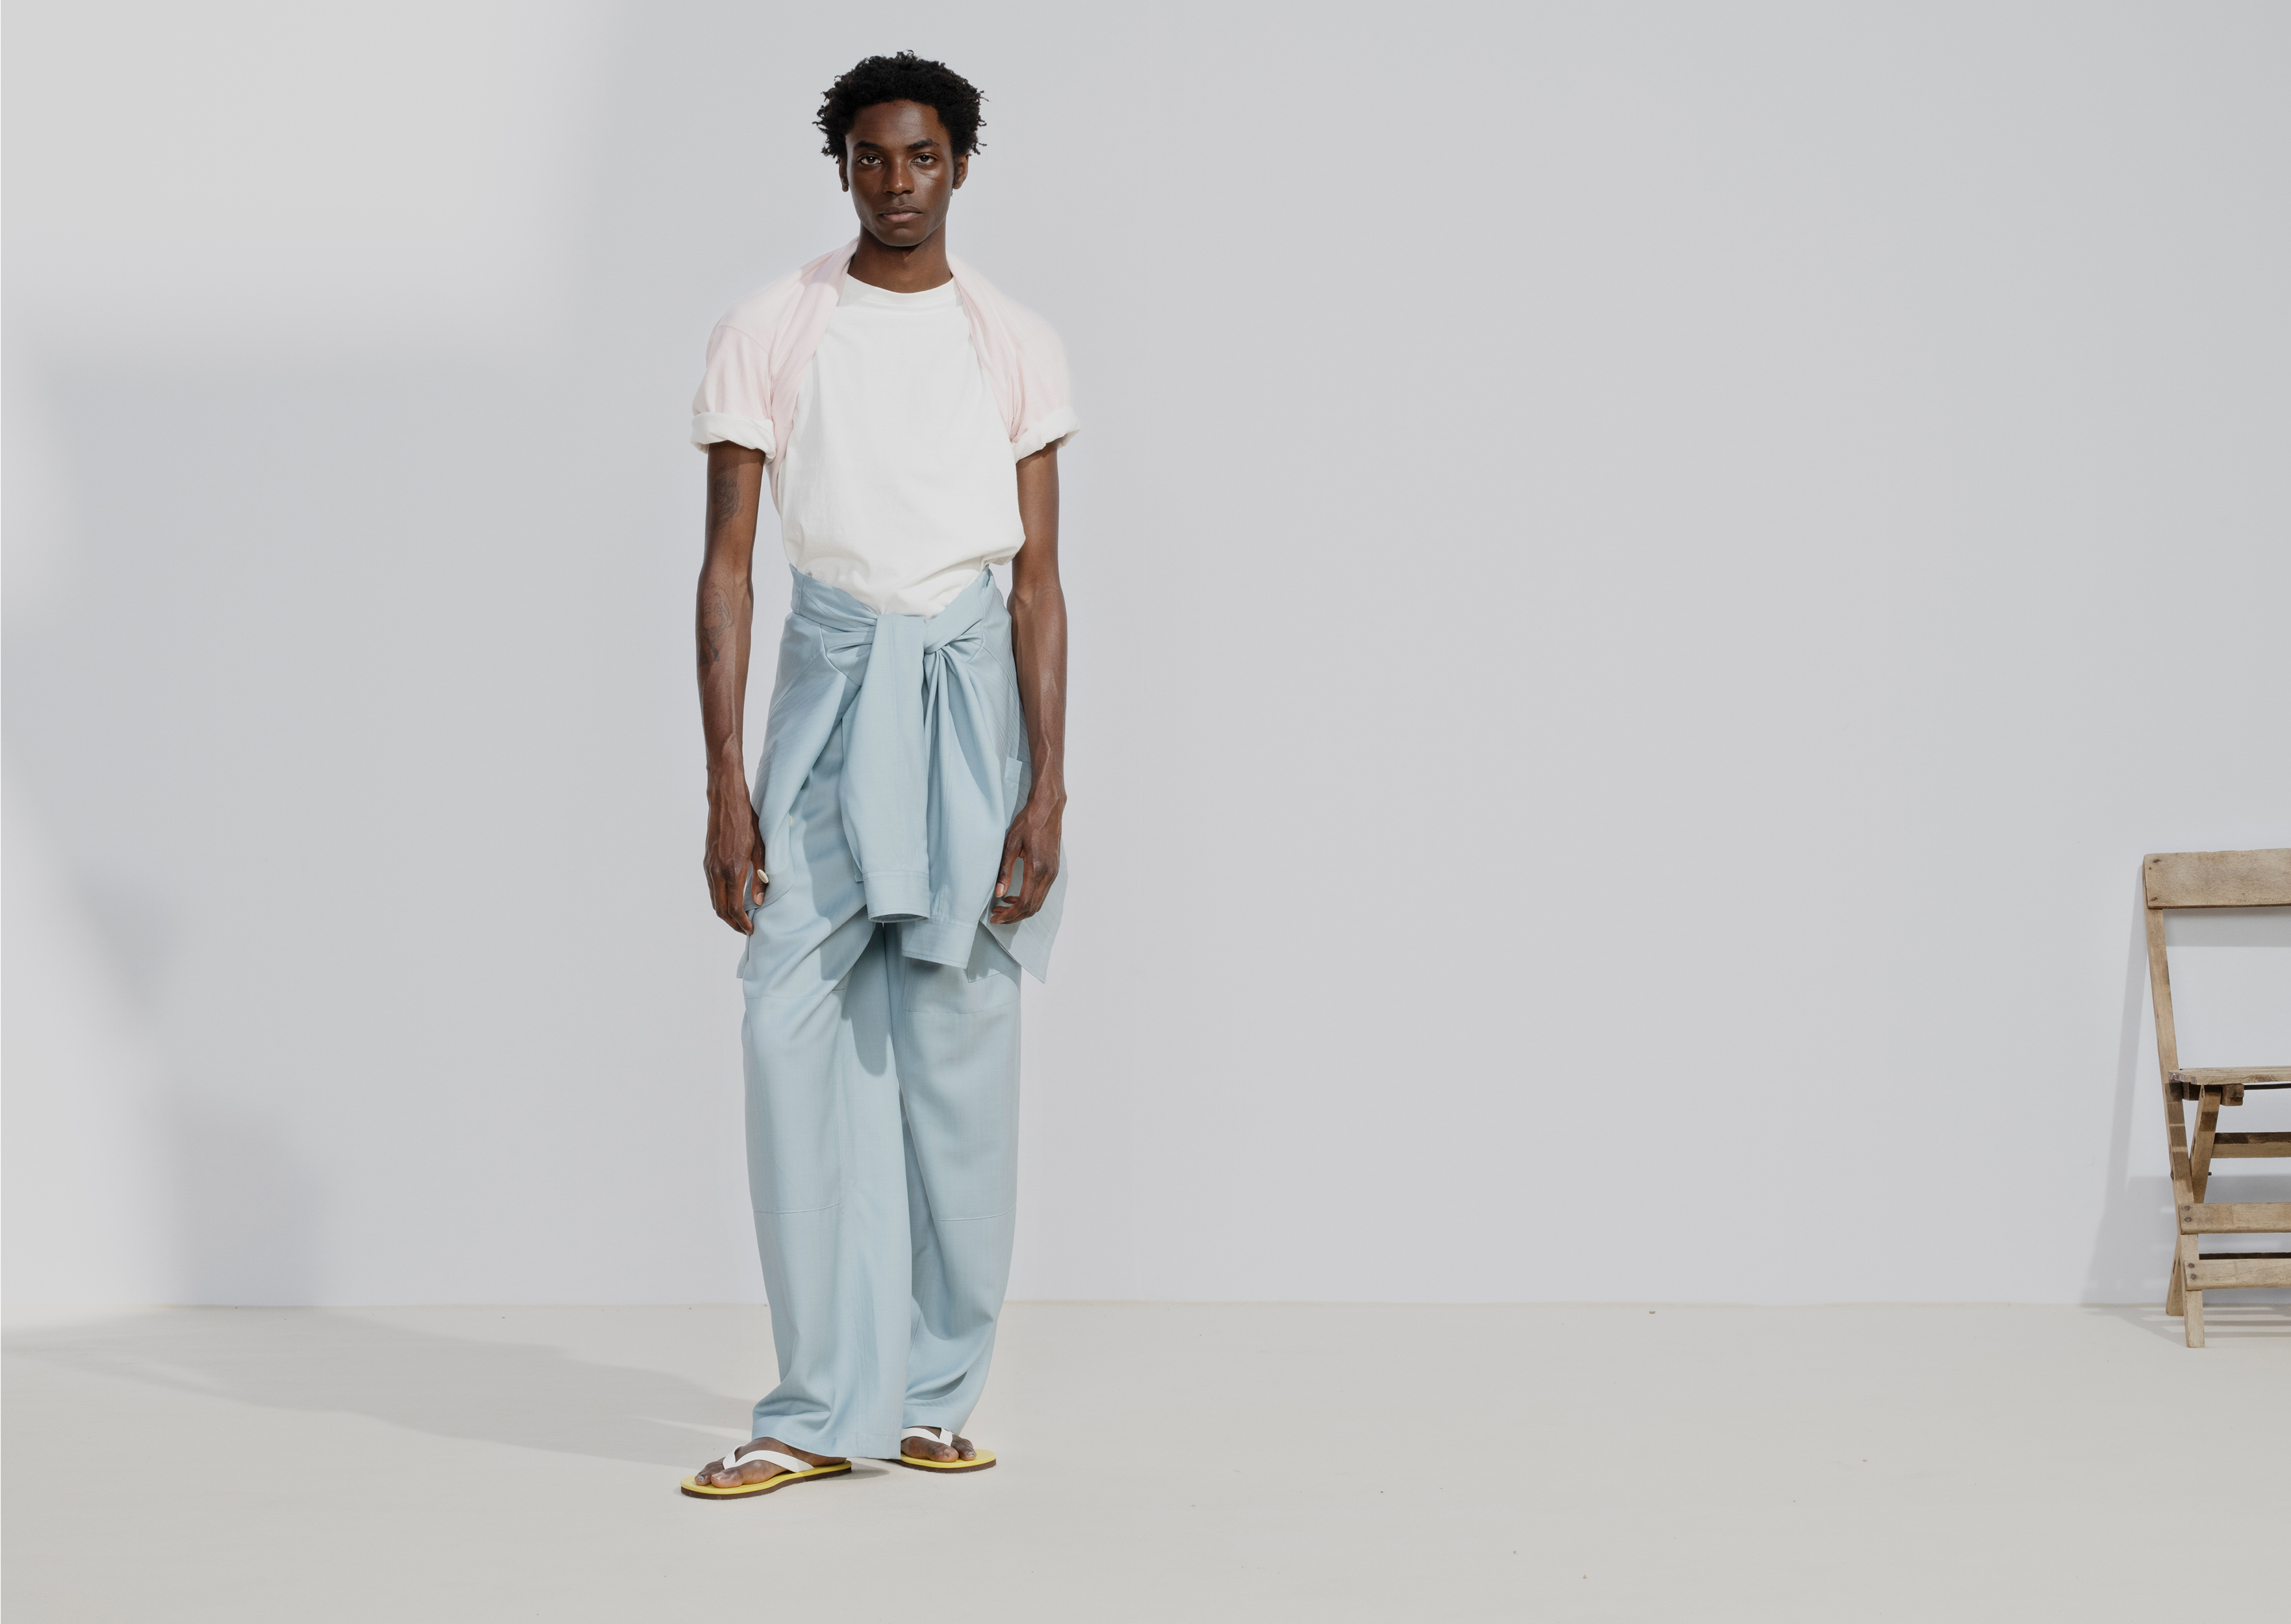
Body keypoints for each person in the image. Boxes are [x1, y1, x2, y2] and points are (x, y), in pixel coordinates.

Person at [680, 51, 1073, 1500]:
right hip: (829, 692)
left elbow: (1039, 583)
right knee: (789, 1030)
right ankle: (809, 1408)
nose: (895, 183)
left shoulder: (1012, 339)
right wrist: (726, 787)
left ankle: (928, 1393)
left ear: (960, 164)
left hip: (967, 702)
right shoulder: (771, 327)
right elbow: (727, 570)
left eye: (920, 157)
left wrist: (1046, 789)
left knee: (959, 1046)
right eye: (868, 158)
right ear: (839, 167)